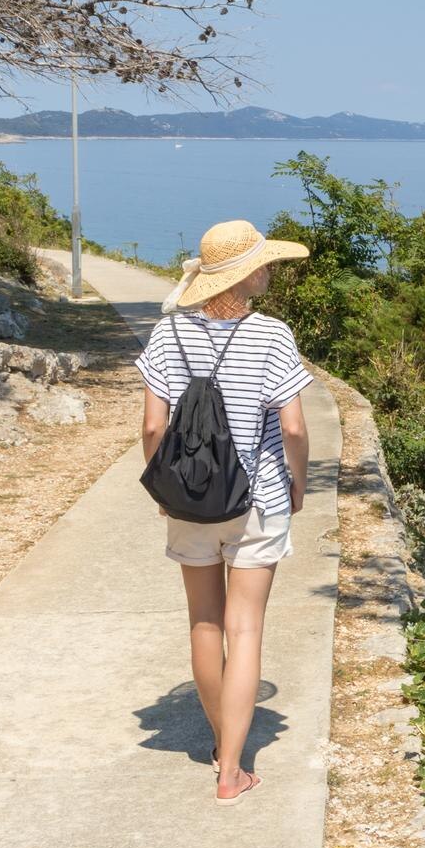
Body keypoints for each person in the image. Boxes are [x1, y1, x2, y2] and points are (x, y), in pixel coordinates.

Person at [135, 219, 313, 806]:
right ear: (248, 273)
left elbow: (153, 426)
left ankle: (220, 742)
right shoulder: (271, 336)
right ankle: (232, 770)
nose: (270, 271)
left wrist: (168, 492)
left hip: (187, 502)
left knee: (204, 623)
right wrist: (296, 483)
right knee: (246, 628)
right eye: (264, 264)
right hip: (256, 498)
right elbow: (291, 425)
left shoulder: (167, 336)